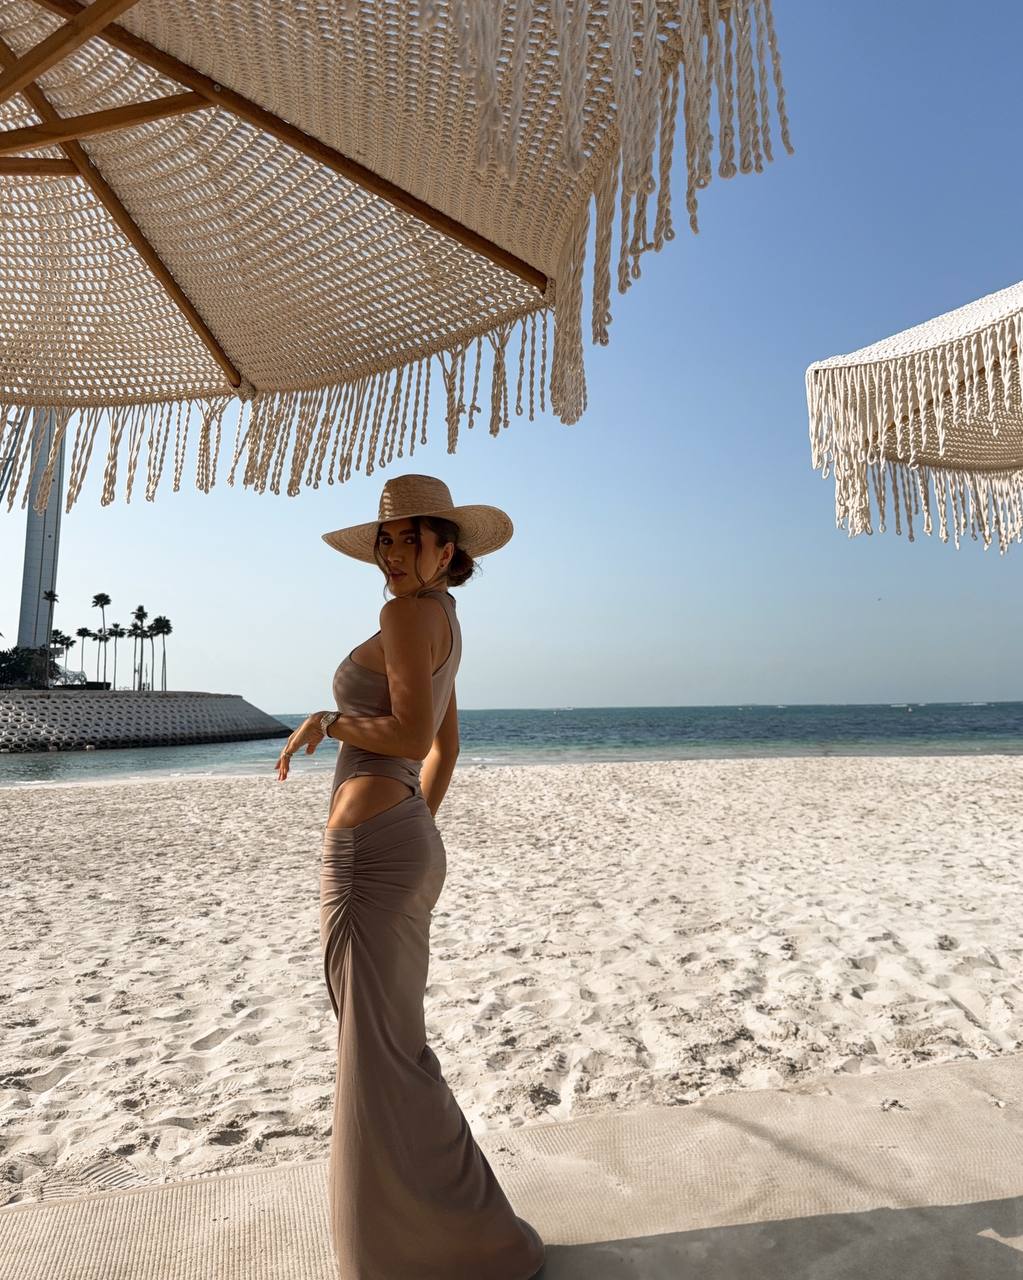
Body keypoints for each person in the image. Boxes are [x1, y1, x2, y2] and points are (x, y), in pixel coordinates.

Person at [275, 473, 546, 1279]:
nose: (392, 554)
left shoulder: (406, 615)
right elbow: (445, 747)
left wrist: (329, 720)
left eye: (410, 538)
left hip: (373, 853)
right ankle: (448, 1241)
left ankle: (436, 1250)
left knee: (378, 1054)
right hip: (400, 840)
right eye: (384, 540)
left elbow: (411, 734)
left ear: (446, 548)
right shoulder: (443, 619)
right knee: (390, 1048)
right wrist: (414, 820)